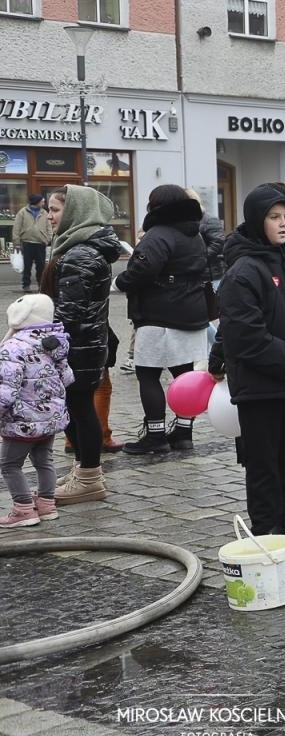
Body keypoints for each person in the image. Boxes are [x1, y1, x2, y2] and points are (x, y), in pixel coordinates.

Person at [211, 184, 285, 536]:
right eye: (273, 217)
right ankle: (267, 536)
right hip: (261, 390)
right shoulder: (243, 272)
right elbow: (247, 337)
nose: (282, 224)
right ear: (256, 220)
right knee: (264, 469)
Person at [115, 185, 211, 454]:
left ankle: (155, 435)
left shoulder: (158, 234)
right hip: (191, 310)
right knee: (184, 374)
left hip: (159, 313)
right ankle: (183, 433)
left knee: (148, 374)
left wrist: (120, 282)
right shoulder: (194, 233)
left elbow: (143, 269)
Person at [41, 186, 120, 504]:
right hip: (82, 344)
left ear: (76, 212)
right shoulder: (77, 248)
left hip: (78, 347)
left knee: (81, 409)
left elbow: (69, 312)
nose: (49, 216)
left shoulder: (81, 254)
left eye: (55, 210)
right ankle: (83, 470)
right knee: (75, 408)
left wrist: (44, 339)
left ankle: (89, 477)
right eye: (48, 209)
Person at [0, 295, 73, 528]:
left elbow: (6, 390)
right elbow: (67, 378)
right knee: (44, 460)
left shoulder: (13, 347)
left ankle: (23, 509)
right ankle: (47, 505)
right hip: (49, 419)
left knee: (10, 464)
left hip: (22, 421)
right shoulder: (54, 343)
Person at [14, 193, 50, 291]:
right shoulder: (22, 212)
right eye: (42, 201)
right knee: (27, 266)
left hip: (40, 243)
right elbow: (16, 227)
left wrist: (48, 239)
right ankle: (26, 285)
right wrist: (17, 242)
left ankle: (41, 285)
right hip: (27, 243)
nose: (43, 203)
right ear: (36, 202)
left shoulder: (44, 213)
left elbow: (49, 227)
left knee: (41, 267)